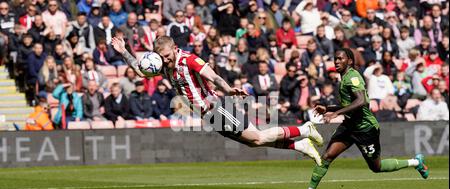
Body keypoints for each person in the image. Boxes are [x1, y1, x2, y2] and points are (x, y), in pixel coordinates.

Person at [112, 35, 325, 165]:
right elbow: (141, 72)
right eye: (163, 58)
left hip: (216, 108)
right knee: (253, 142)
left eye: (168, 56)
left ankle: (304, 130)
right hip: (209, 116)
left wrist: (229, 90)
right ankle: (301, 145)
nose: (166, 60)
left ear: (174, 48)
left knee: (258, 137)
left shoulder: (189, 60)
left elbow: (213, 76)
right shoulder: (164, 67)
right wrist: (124, 52)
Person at [292, 48, 429, 189]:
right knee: (327, 156)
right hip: (349, 126)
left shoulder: (353, 77)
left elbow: (362, 101)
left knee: (376, 167)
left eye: (340, 59)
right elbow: (351, 104)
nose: (337, 61)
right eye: (335, 58)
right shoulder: (343, 77)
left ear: (349, 61)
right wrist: (329, 108)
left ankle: (416, 162)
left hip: (365, 129)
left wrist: (337, 113)